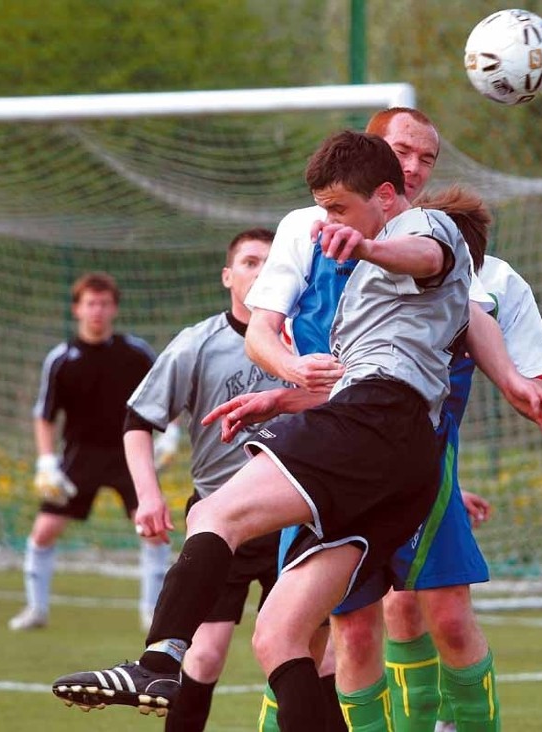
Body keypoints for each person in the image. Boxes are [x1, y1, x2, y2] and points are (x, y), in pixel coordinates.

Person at [51, 129, 479, 731]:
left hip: (377, 424)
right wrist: (283, 394)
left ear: (385, 196)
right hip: (393, 454)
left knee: (212, 513)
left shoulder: (423, 229)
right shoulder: (357, 280)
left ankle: (159, 659)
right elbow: (372, 372)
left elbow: (425, 259)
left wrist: (366, 247)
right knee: (278, 637)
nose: (325, 221)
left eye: (337, 209)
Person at [218, 109, 542, 732]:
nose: (412, 165)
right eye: (400, 149)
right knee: (342, 628)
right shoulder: (308, 227)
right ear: (367, 153)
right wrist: (295, 380)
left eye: (426, 157)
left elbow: (470, 312)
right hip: (333, 445)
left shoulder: (452, 249)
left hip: (418, 452)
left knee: (443, 616)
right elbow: (262, 329)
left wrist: (512, 379)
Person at [122, 227, 289, 731]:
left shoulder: (306, 339)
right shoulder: (198, 343)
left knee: (310, 650)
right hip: (224, 521)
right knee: (205, 655)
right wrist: (148, 496)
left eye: (271, 263)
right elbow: (137, 422)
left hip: (295, 517)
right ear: (227, 275)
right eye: (250, 262)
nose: (260, 273)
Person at [9, 271, 179, 632]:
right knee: (43, 531)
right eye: (90, 304)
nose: (97, 311)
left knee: (154, 531)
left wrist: (170, 436)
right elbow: (44, 415)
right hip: (79, 457)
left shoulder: (136, 353)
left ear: (114, 308)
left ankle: (153, 612)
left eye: (104, 303)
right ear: (77, 309)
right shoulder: (61, 358)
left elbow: (168, 393)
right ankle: (36, 609)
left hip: (130, 453)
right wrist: (45, 462)